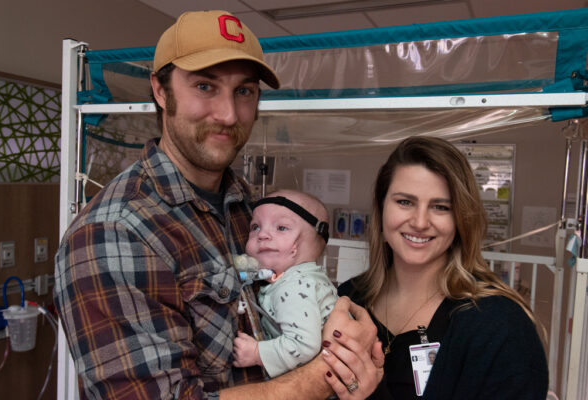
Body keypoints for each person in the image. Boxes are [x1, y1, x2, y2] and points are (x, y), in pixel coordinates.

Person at [53, 9, 383, 400]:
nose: (228, 114)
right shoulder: (114, 235)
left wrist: (350, 342)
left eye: (244, 91)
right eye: (205, 86)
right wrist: (327, 374)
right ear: (161, 91)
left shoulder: (247, 206)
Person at [338, 136, 549, 399]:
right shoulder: (347, 300)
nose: (420, 222)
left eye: (440, 207)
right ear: (382, 209)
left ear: (461, 219)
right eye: (405, 202)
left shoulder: (499, 325)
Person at [232, 189, 338, 378]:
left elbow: (304, 346)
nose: (262, 235)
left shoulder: (295, 286)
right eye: (255, 227)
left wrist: (256, 353)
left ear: (312, 242)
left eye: (281, 228)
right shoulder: (302, 278)